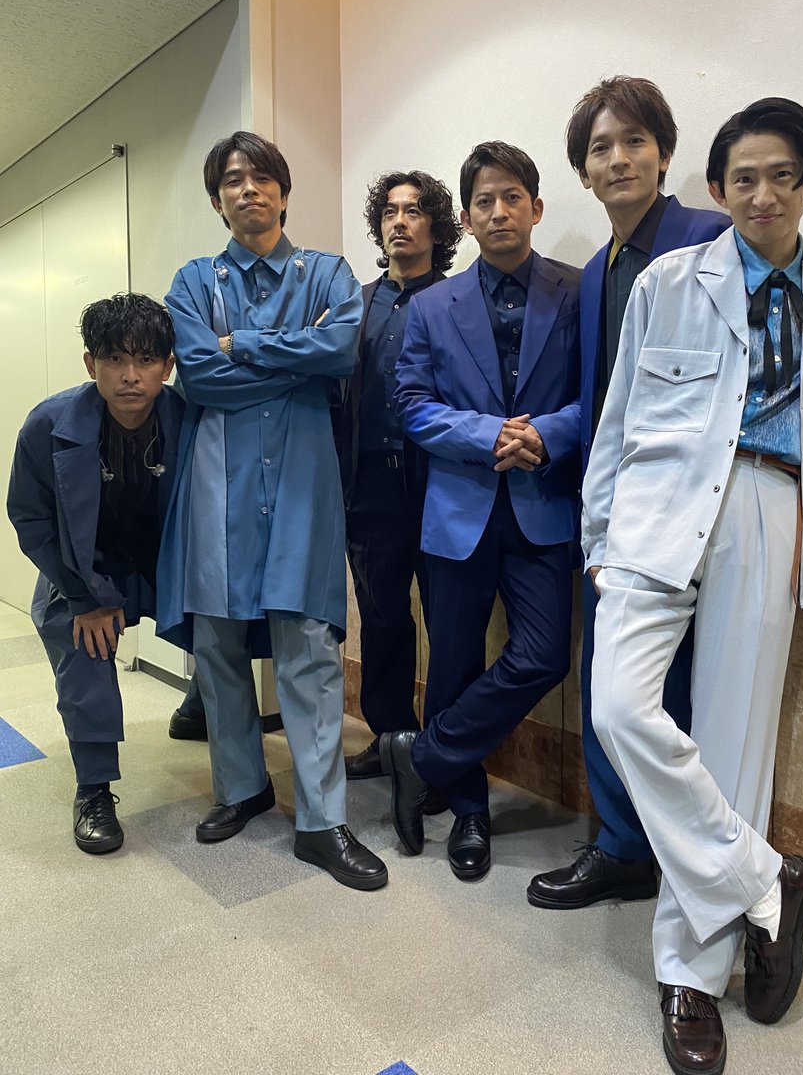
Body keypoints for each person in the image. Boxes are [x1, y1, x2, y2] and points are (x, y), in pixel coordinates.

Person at [582, 98, 803, 1074]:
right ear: (717, 189)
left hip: (770, 505)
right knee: (619, 707)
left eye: (782, 176)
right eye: (744, 178)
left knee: (735, 747)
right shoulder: (668, 281)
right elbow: (618, 416)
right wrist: (599, 539)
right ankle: (768, 882)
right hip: (657, 509)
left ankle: (690, 974)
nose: (763, 195)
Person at [156, 131, 386, 891]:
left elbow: (339, 354)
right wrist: (291, 358)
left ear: (284, 193)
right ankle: (242, 788)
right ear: (216, 200)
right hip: (214, 488)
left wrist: (241, 345)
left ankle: (322, 821)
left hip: (302, 487)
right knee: (218, 645)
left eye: (261, 177)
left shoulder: (328, 273)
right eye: (232, 179)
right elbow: (198, 376)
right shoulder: (194, 282)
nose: (248, 188)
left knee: (308, 642)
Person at [529, 76, 730, 910]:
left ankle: (685, 855)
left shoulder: (710, 238)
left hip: (700, 506)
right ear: (583, 172)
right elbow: (602, 400)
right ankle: (622, 847)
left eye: (634, 141)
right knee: (610, 683)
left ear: (665, 153)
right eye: (600, 148)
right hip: (615, 510)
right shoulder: (597, 272)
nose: (618, 159)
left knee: (680, 693)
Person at [380, 141, 581, 880]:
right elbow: (410, 403)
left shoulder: (577, 291)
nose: (499, 211)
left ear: (536, 206)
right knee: (454, 663)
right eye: (484, 201)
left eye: (512, 197)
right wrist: (485, 435)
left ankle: (422, 756)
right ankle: (468, 811)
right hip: (458, 510)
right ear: (465, 218)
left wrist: (547, 434)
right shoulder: (432, 305)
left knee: (544, 655)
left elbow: (601, 393)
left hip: (543, 507)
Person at [8, 293, 185, 854]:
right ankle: (94, 789)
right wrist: (85, 598)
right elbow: (30, 518)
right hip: (82, 568)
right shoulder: (48, 424)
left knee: (221, 620)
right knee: (80, 640)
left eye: (146, 359)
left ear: (168, 365)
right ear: (91, 364)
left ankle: (204, 703)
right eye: (114, 359)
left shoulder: (190, 417)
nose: (130, 376)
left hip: (161, 560)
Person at [336, 171, 461, 779]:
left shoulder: (458, 301)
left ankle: (444, 749)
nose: (400, 222)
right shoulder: (354, 304)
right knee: (382, 616)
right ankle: (391, 741)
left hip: (439, 488)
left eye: (414, 211)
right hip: (369, 489)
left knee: (448, 622)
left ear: (436, 227)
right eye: (389, 212)